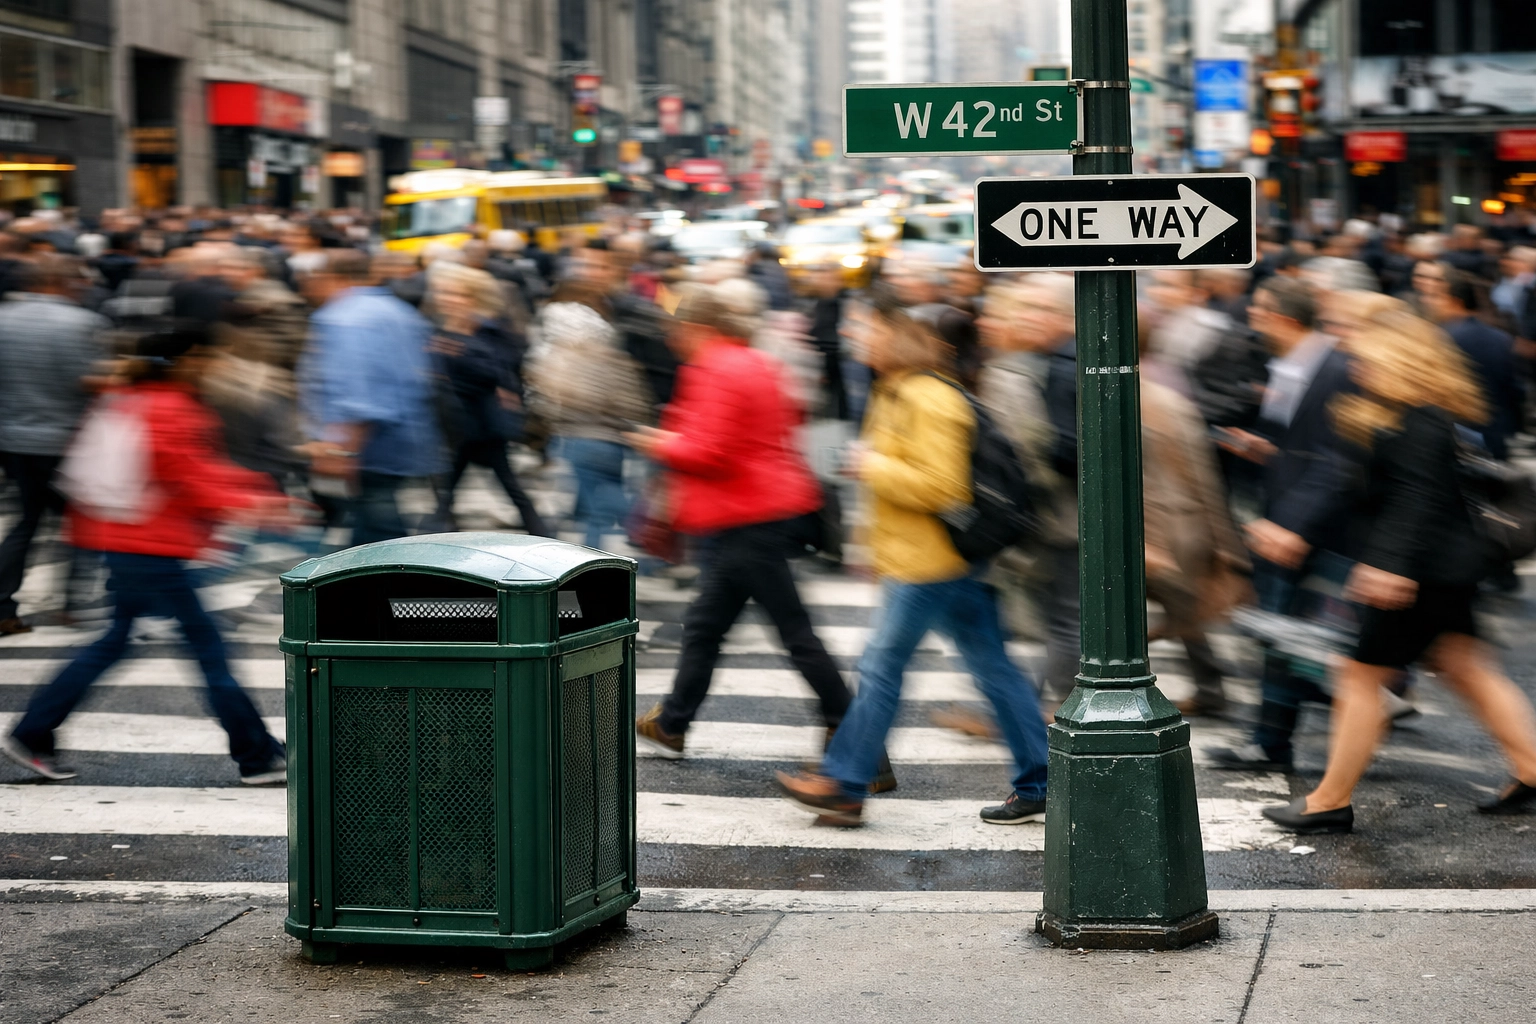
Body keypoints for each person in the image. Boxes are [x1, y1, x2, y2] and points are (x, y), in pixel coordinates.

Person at [774, 307, 1049, 827]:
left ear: (901, 338)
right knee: (993, 666)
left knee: (881, 667)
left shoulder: (930, 397)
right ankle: (1039, 779)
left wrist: (871, 465)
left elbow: (943, 487)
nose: (855, 334)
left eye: (869, 327)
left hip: (931, 562)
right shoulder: (895, 389)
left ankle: (846, 783)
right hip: (926, 559)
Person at [1264, 309, 1536, 832]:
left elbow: (1416, 500)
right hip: (1442, 568)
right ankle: (1531, 769)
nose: (1355, 363)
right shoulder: (1392, 413)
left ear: (1399, 358)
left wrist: (1387, 567)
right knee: (1467, 667)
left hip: (1420, 573)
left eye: (1364, 355)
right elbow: (1357, 487)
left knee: (1360, 677)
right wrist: (1297, 530)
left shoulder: (1420, 418)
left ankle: (1329, 800)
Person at [1, 330, 292, 784]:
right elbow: (188, 475)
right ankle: (258, 756)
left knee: (113, 644)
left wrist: (250, 492)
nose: (217, 367)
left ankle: (33, 732)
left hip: (123, 540)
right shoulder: (170, 406)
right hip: (151, 546)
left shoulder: (131, 399)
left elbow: (187, 469)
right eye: (211, 358)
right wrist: (259, 500)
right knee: (208, 652)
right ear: (189, 360)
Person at [627, 285, 884, 785]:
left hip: (745, 514)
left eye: (676, 328)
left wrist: (659, 442)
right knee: (708, 625)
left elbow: (710, 451)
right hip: (753, 512)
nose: (671, 338)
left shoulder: (718, 368)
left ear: (697, 328)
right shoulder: (752, 361)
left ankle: (861, 749)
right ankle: (674, 721)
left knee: (792, 633)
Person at [1208, 277, 1360, 772]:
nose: (1252, 317)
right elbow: (1304, 446)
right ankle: (1271, 741)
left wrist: (1292, 526)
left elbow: (1337, 461)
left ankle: (1290, 735)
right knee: (1284, 635)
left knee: (1304, 639)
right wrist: (1261, 448)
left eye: (1261, 310)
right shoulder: (1295, 367)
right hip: (1288, 521)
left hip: (1314, 529)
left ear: (1285, 318)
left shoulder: (1333, 370)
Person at [973, 277, 1080, 706]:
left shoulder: (1036, 369)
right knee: (1058, 616)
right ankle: (1030, 705)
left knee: (1065, 617)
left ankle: (1053, 707)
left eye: (1037, 309)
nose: (1024, 319)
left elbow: (1039, 451)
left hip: (1055, 517)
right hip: (1049, 516)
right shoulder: (1032, 364)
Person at [299, 250, 443, 546]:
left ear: (333, 278)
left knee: (378, 532)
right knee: (376, 525)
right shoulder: (398, 310)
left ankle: (400, 586)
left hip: (366, 448)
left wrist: (342, 451)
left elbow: (358, 391)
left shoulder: (344, 318)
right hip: (399, 440)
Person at [0, 256, 109, 634]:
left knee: (27, 522)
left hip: (15, 440)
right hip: (69, 440)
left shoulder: (4, 318)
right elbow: (90, 381)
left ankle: (3, 605)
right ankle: (74, 603)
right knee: (82, 522)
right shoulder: (82, 323)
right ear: (61, 282)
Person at [426, 262, 551, 537]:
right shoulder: (439, 329)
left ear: (472, 297)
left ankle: (540, 530)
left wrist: (461, 352)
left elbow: (499, 372)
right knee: (453, 483)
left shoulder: (488, 330)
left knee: (503, 482)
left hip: (483, 424)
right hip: (454, 423)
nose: (448, 299)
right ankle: (439, 523)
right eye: (444, 292)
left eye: (456, 293)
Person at [526, 282, 652, 549]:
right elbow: (635, 402)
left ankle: (637, 536)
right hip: (613, 441)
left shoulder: (562, 361)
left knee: (599, 504)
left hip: (576, 440)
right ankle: (601, 551)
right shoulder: (616, 359)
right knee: (602, 505)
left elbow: (551, 400)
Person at [1424, 269, 1522, 460]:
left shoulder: (1440, 339)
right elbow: (1513, 390)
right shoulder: (1500, 337)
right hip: (1495, 434)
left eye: (1435, 297)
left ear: (1455, 301)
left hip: (1458, 438)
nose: (1428, 302)